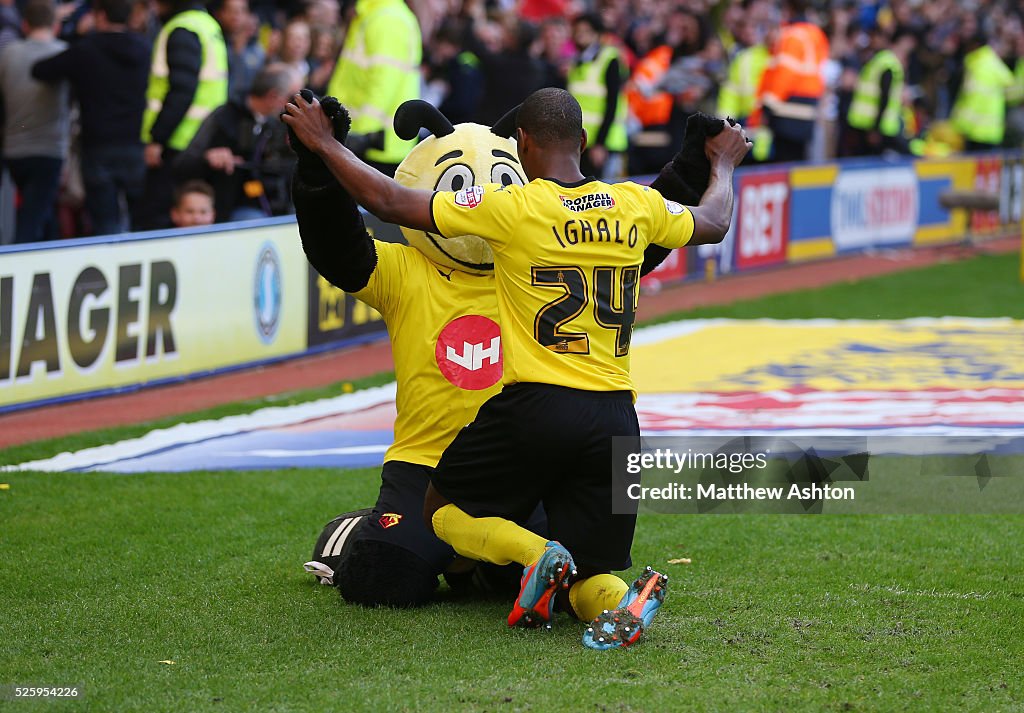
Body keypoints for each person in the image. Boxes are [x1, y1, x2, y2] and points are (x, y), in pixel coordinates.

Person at [283, 87, 750, 648]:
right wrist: (718, 162)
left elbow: (388, 200)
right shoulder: (634, 206)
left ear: (522, 147)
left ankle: (531, 556)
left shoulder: (516, 211)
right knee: (586, 570)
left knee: (445, 511)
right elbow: (713, 222)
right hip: (617, 418)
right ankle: (620, 600)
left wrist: (323, 145)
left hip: (533, 414)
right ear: (583, 141)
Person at [31, 0, 149, 236]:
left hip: (98, 144)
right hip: (136, 142)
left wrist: (75, 33)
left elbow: (41, 70)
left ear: (100, 16)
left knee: (105, 222)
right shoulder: (145, 48)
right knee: (141, 219)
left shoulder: (87, 49)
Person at [135, 0, 229, 229]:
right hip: (203, 138)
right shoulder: (208, 24)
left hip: (178, 144)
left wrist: (158, 138)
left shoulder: (182, 28)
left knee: (159, 222)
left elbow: (182, 90)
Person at [173, 63, 300, 221]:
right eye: (291, 97)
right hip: (221, 210)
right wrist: (208, 158)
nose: (294, 104)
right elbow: (183, 165)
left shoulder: (275, 124)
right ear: (273, 96)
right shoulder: (224, 118)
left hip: (265, 204)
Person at [325, 0, 420, 176]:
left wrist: (359, 137)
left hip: (371, 145)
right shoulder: (374, 14)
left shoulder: (387, 18)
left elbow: (384, 82)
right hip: (364, 142)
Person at [0, 0, 68, 244]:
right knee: (33, 216)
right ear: (56, 24)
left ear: (25, 24)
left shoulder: (9, 53)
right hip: (49, 148)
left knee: (41, 213)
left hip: (14, 148)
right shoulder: (64, 53)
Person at [751, 0, 829, 162]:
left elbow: (784, 75)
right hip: (807, 109)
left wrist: (767, 106)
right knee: (798, 161)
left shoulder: (791, 35)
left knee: (783, 163)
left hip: (786, 110)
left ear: (788, 9)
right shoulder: (816, 34)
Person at [567, 12, 627, 180]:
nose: (580, 36)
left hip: (604, 142)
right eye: (577, 31)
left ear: (597, 34)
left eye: (586, 31)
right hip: (581, 141)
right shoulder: (577, 62)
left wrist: (601, 143)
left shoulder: (609, 59)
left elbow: (612, 103)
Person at [846, 27, 917, 156]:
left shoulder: (883, 62)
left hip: (876, 125)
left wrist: (876, 129)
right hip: (871, 125)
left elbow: (885, 97)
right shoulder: (882, 62)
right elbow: (880, 96)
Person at [950, 32, 1015, 152]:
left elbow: (968, 97)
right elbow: (1011, 87)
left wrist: (958, 124)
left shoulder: (975, 63)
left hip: (971, 129)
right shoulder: (993, 62)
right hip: (991, 130)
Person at [215, 0, 265, 104]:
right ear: (219, 14)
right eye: (231, 10)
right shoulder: (214, 41)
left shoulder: (257, 50)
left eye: (242, 10)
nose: (236, 15)